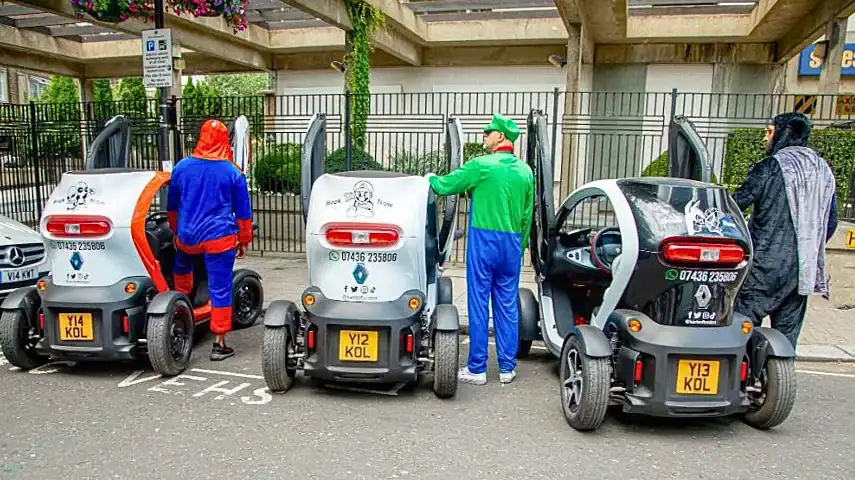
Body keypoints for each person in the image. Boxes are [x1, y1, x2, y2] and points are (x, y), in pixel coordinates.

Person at [426, 113, 534, 385]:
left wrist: (429, 179)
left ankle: (477, 368)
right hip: (512, 244)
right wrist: (518, 248)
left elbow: (445, 185)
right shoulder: (525, 171)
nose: (484, 136)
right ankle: (507, 368)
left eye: (488, 132)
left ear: (500, 137)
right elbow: (527, 216)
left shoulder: (481, 165)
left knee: (478, 302)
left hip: (484, 241)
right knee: (507, 305)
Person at [731, 112, 838, 348]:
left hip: (765, 265)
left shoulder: (771, 166)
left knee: (742, 327)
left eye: (769, 132)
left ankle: (742, 377)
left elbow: (736, 204)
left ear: (783, 133)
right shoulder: (824, 171)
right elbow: (831, 223)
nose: (765, 139)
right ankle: (777, 378)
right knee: (787, 338)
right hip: (803, 270)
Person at [166, 118, 254, 361]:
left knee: (181, 273)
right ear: (225, 141)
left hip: (187, 237)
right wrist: (243, 240)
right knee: (220, 287)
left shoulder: (182, 167)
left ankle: (180, 318)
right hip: (219, 238)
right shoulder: (233, 172)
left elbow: (172, 207)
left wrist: (176, 231)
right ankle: (219, 343)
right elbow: (244, 214)